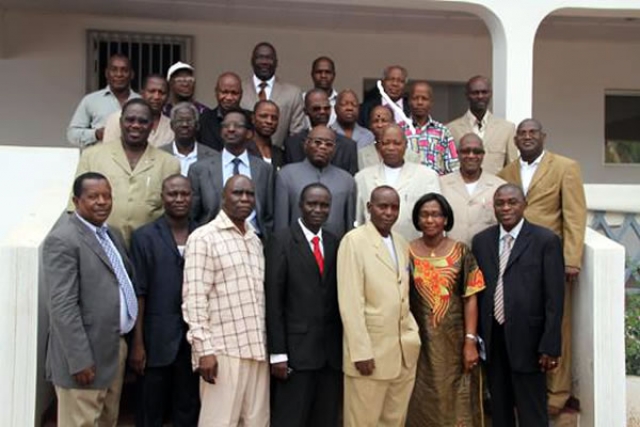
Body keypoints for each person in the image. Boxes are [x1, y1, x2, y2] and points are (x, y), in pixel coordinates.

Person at [498, 118, 587, 415]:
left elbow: (574, 214)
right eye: (521, 133)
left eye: (532, 132)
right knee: (522, 322)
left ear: (543, 136)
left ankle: (557, 393)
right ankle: (519, 388)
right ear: (515, 140)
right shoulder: (506, 173)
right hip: (516, 258)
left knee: (556, 322)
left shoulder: (565, 167)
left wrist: (572, 259)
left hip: (550, 257)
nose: (526, 137)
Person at [44, 172, 137, 426]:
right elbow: (62, 306)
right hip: (84, 356)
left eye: (107, 196)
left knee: (108, 420)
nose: (101, 202)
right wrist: (80, 359)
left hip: (113, 348)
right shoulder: (63, 240)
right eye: (93, 196)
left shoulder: (112, 235)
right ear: (76, 201)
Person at [472, 183, 565, 427]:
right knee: (499, 410)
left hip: (530, 341)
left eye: (512, 202)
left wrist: (550, 345)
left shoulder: (546, 240)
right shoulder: (481, 241)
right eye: (500, 203)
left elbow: (555, 298)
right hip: (493, 339)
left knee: (531, 411)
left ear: (525, 204)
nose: (505, 208)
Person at [182, 175, 269, 427]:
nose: (244, 199)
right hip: (222, 351)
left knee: (256, 422)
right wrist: (203, 351)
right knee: (219, 422)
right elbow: (194, 298)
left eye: (250, 194)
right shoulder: (204, 237)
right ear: (223, 198)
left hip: (256, 348)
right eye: (237, 193)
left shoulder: (254, 240)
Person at [338, 186, 421, 427]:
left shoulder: (401, 242)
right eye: (382, 206)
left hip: (403, 351)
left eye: (394, 207)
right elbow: (350, 301)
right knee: (362, 421)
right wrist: (360, 351)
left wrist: (412, 334)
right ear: (369, 208)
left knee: (394, 421)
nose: (388, 212)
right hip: (370, 354)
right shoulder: (353, 241)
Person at [405, 193, 485, 427]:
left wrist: (470, 341)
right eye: (424, 215)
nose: (430, 220)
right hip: (418, 344)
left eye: (436, 214)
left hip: (455, 343)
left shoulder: (461, 252)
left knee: (456, 398)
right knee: (420, 399)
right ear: (417, 219)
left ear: (446, 219)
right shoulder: (406, 251)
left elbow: (470, 297)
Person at [266, 183, 342, 427]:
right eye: (312, 204)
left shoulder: (334, 242)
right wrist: (278, 353)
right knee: (291, 418)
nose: (318, 209)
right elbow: (274, 300)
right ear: (300, 205)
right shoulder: (281, 240)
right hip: (295, 354)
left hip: (329, 355)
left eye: (324, 205)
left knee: (325, 418)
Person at [129, 174, 200, 426]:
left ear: (192, 197)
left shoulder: (203, 234)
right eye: (172, 194)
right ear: (162, 198)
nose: (179, 199)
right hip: (155, 340)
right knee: (150, 409)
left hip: (193, 340)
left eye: (184, 194)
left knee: (188, 407)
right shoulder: (144, 236)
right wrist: (137, 343)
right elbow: (139, 291)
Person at [71, 98, 180, 246]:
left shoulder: (169, 163)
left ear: (151, 125)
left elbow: (173, 213)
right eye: (130, 120)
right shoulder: (92, 156)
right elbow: (74, 207)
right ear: (121, 122)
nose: (136, 125)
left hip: (149, 249)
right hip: (99, 246)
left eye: (143, 121)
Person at [188, 108, 274, 237]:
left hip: (255, 239)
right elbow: (192, 215)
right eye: (225, 126)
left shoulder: (264, 169)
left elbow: (269, 214)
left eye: (237, 126)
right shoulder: (200, 169)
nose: (231, 129)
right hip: (213, 240)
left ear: (249, 134)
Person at [355, 124, 440, 241]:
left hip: (413, 248)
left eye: (397, 143)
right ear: (379, 146)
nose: (391, 147)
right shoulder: (363, 177)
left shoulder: (427, 176)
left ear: (405, 145)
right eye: (386, 143)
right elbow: (359, 220)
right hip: (372, 248)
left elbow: (437, 219)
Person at [274, 125, 356, 239]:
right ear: (306, 144)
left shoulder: (347, 180)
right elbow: (281, 222)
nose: (323, 147)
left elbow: (349, 225)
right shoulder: (286, 175)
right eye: (317, 142)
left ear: (334, 149)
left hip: (336, 249)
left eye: (329, 144)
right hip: (296, 249)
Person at [440, 133, 506, 245]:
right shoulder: (441, 184)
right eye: (466, 151)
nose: (471, 156)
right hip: (451, 253)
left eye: (477, 152)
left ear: (483, 154)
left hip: (487, 253)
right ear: (457, 153)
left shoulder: (499, 186)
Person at [447, 76, 518, 174]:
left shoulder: (507, 129)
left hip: (496, 188)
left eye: (484, 92)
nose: (480, 96)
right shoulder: (451, 129)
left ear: (490, 94)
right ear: (467, 95)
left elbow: (512, 168)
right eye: (475, 93)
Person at [240, 42, 305, 149]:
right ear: (252, 61)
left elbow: (297, 134)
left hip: (279, 158)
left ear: (276, 63)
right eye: (260, 58)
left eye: (269, 58)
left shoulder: (293, 93)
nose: (264, 62)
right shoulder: (239, 90)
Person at [67, 54, 139, 146]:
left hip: (134, 159)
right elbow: (72, 134)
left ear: (132, 74)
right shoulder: (91, 100)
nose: (119, 74)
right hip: (99, 159)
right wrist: (96, 134)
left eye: (124, 70)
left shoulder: (141, 102)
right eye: (114, 70)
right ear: (106, 73)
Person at [283, 88, 358, 175]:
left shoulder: (348, 146)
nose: (322, 112)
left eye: (326, 108)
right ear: (305, 111)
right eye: (316, 109)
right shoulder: (292, 144)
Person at [400, 80, 459, 175]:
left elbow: (453, 166)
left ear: (431, 102)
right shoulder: (399, 130)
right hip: (406, 187)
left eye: (424, 98)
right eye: (415, 98)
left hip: (436, 186)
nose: (419, 102)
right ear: (409, 101)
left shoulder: (442, 132)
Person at [103, 74, 174, 148]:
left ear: (168, 97)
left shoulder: (171, 125)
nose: (156, 97)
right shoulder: (116, 119)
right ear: (142, 93)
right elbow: (108, 151)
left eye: (162, 93)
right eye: (151, 91)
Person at [199, 72, 253, 151]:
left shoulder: (251, 120)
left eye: (234, 93)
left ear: (241, 94)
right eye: (224, 92)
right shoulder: (203, 120)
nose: (229, 97)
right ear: (216, 92)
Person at [160, 102, 217, 176]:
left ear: (197, 126)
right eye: (179, 121)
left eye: (189, 121)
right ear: (172, 126)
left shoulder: (213, 157)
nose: (185, 125)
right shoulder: (160, 155)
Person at [250, 100, 284, 168]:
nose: (269, 121)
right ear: (253, 118)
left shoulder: (280, 153)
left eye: (274, 118)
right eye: (263, 116)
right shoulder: (243, 149)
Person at [358, 105, 394, 170]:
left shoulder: (409, 155)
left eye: (384, 120)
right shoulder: (362, 154)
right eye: (375, 121)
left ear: (393, 123)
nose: (380, 125)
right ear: (370, 125)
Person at [305, 56, 338, 126]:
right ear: (312, 75)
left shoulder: (340, 102)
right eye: (319, 72)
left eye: (327, 72)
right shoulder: (301, 100)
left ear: (334, 75)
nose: (323, 76)